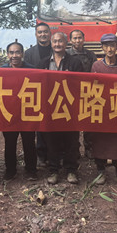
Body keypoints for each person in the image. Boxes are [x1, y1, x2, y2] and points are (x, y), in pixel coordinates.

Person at [90, 33, 117, 186]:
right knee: (100, 140)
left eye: (112, 45)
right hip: (102, 109)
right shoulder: (96, 66)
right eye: (106, 46)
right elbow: (93, 87)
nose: (110, 49)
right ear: (102, 48)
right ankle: (100, 171)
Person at [39, 32, 81, 185]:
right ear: (51, 44)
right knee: (51, 140)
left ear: (66, 43)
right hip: (50, 108)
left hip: (70, 108)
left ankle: (71, 170)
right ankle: (53, 170)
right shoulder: (43, 63)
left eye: (60, 41)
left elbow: (82, 84)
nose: (57, 44)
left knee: (71, 140)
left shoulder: (75, 62)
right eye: (55, 41)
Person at [1, 42, 38, 181]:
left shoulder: (32, 70)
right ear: (7, 55)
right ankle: (10, 170)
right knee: (10, 142)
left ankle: (31, 170)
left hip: (27, 111)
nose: (14, 55)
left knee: (29, 142)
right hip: (9, 112)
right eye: (11, 53)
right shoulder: (1, 71)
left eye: (17, 52)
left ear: (22, 54)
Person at [24, 23, 52, 166]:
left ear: (50, 33)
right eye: (40, 32)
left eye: (45, 32)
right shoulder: (29, 53)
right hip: (37, 93)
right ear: (36, 34)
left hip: (55, 93)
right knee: (40, 124)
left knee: (55, 124)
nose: (43, 35)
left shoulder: (57, 49)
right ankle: (41, 154)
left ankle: (55, 154)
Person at [68, 29, 97, 158]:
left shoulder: (90, 55)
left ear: (84, 39)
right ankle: (74, 149)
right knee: (72, 122)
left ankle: (89, 148)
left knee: (88, 122)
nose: (77, 40)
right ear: (70, 40)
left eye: (79, 38)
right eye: (74, 38)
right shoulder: (67, 54)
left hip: (87, 92)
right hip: (71, 92)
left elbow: (95, 71)